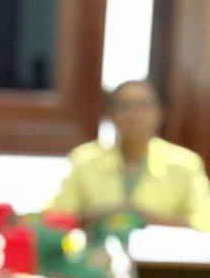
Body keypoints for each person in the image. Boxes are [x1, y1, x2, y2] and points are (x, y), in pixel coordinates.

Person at [49, 79, 210, 231]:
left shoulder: (185, 163)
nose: (134, 115)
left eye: (143, 106)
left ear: (160, 113)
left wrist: (141, 216)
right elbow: (57, 218)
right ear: (110, 114)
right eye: (125, 107)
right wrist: (100, 216)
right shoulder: (84, 159)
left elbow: (204, 223)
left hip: (164, 257)